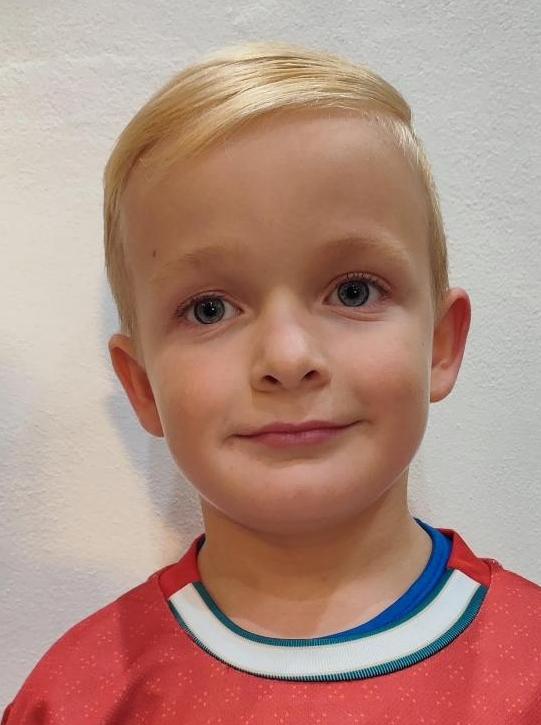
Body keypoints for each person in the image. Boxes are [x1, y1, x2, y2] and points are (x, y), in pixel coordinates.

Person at [3, 40, 540, 724]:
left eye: (352, 291)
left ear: (440, 344)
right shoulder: (74, 701)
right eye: (209, 309)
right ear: (142, 387)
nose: (287, 357)